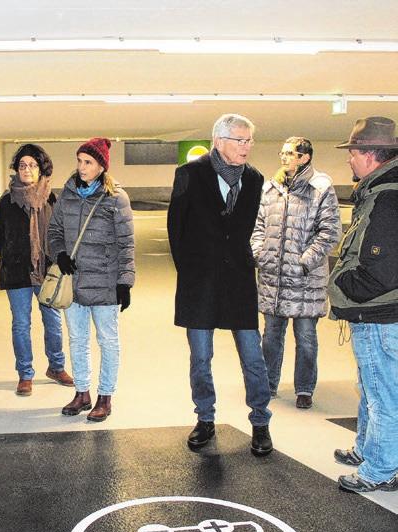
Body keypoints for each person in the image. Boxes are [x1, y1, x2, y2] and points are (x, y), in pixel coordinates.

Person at [167, 113, 273, 456]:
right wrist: (193, 269)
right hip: (200, 283)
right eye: (240, 140)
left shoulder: (254, 179)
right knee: (201, 358)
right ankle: (205, 418)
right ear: (219, 142)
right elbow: (176, 228)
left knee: (253, 358)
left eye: (249, 141)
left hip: (239, 281)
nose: (247, 147)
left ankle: (260, 422)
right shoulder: (190, 174)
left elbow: (250, 227)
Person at [330, 116, 398, 493]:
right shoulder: (380, 190)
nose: (349, 160)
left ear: (370, 154)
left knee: (381, 393)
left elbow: (381, 271)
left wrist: (338, 284)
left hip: (379, 315)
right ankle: (367, 448)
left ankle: (380, 470)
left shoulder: (386, 198)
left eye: (352, 152)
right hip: (381, 314)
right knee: (372, 387)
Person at [47, 138, 135, 422]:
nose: (82, 167)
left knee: (108, 341)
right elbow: (54, 231)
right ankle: (82, 393)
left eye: (88, 162)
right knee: (77, 339)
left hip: (106, 282)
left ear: (101, 166)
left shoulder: (116, 198)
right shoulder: (67, 194)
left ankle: (105, 396)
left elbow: (126, 243)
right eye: (79, 161)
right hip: (74, 282)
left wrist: (125, 281)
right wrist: (59, 253)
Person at [251, 137, 341, 409]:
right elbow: (258, 225)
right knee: (271, 336)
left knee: (306, 338)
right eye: (282, 152)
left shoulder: (321, 187)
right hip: (273, 278)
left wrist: (304, 261)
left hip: (305, 279)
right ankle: (267, 384)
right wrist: (259, 253)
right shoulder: (271, 188)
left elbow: (330, 232)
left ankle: (304, 388)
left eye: (290, 153)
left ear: (305, 157)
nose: (284, 157)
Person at [0, 144, 74, 395]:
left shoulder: (50, 198)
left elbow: (59, 232)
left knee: (53, 321)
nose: (27, 169)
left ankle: (56, 367)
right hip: (16, 272)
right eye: (22, 165)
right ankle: (25, 374)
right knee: (21, 324)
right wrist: (13, 253)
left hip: (47, 271)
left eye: (33, 165)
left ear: (41, 169)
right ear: (16, 169)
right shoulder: (7, 201)